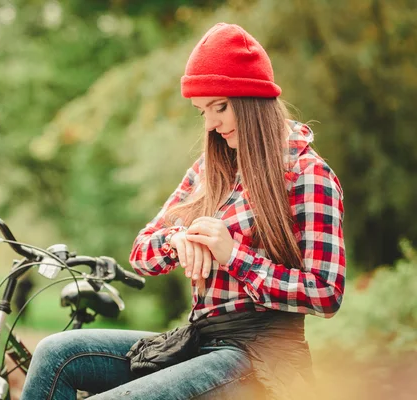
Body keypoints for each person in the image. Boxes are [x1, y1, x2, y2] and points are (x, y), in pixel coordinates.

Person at [19, 22, 345, 400]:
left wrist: (233, 256)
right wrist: (178, 240)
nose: (210, 124)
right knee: (55, 354)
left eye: (219, 107)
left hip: (260, 357)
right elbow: (142, 252)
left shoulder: (308, 175)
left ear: (252, 101)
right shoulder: (211, 170)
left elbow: (326, 293)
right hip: (198, 340)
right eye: (202, 111)